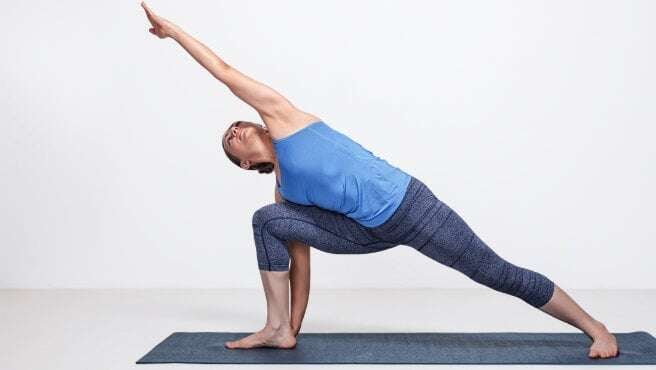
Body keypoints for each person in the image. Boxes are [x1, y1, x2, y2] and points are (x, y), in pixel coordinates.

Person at [140, 2, 619, 359]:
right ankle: (276, 326)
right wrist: (295, 331)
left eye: (238, 124)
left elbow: (223, 72)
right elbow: (300, 267)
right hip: (364, 233)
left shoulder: (283, 117)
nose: (238, 128)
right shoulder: (284, 194)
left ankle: (595, 327)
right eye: (230, 138)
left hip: (411, 207)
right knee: (267, 220)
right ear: (244, 163)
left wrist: (174, 32)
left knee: (495, 273)